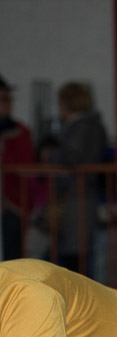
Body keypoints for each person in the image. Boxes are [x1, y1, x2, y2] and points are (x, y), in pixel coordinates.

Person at [50, 82, 108, 274]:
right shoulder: (89, 125)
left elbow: (72, 156)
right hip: (79, 195)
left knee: (76, 258)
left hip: (77, 196)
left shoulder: (81, 127)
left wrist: (52, 155)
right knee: (75, 255)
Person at [0, 74, 35, 260]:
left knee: (12, 257)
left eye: (7, 99)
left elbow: (26, 162)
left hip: (12, 204)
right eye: (3, 99)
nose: (7, 104)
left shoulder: (20, 131)